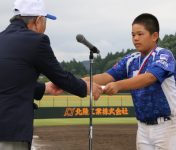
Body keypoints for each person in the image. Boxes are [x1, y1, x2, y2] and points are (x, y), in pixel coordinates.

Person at [0, 0, 102, 149]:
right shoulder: (36, 41)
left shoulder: (2, 38)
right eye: (45, 21)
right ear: (38, 20)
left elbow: (11, 81)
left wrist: (44, 89)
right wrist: (86, 87)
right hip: (11, 130)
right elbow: (60, 76)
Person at [84, 13, 176, 150]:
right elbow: (106, 76)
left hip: (168, 126)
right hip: (142, 128)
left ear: (154, 36)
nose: (135, 38)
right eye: (133, 35)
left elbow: (149, 77)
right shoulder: (131, 59)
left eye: (140, 34)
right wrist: (76, 81)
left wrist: (118, 85)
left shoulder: (164, 55)